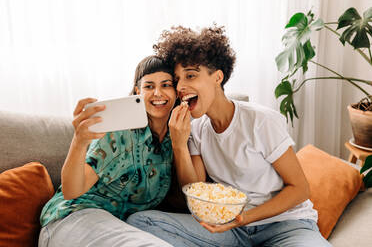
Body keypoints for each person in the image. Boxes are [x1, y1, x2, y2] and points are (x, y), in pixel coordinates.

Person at [126, 26, 332, 247]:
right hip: (229, 231)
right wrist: (179, 144)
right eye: (177, 80)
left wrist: (243, 219)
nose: (181, 87)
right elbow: (194, 192)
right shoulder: (197, 130)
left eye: (191, 75)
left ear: (217, 77)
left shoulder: (260, 121)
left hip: (285, 225)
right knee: (141, 222)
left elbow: (300, 189)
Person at [38, 55, 177, 247]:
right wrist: (79, 142)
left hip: (119, 226)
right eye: (149, 86)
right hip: (73, 217)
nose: (158, 93)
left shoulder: (175, 136)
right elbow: (72, 190)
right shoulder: (121, 131)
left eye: (166, 84)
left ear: (176, 91)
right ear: (138, 91)